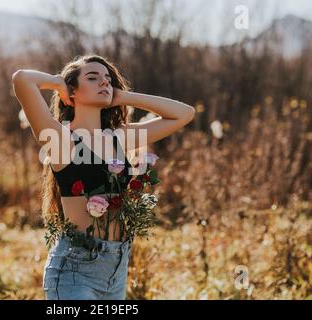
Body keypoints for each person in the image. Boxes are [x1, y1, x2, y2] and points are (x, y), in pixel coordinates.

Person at [12, 54, 195, 300]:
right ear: (72, 91)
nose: (104, 83)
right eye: (93, 77)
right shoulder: (61, 140)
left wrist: (125, 97)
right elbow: (22, 79)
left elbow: (184, 113)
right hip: (75, 271)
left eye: (108, 79)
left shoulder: (119, 138)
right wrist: (58, 83)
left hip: (117, 269)